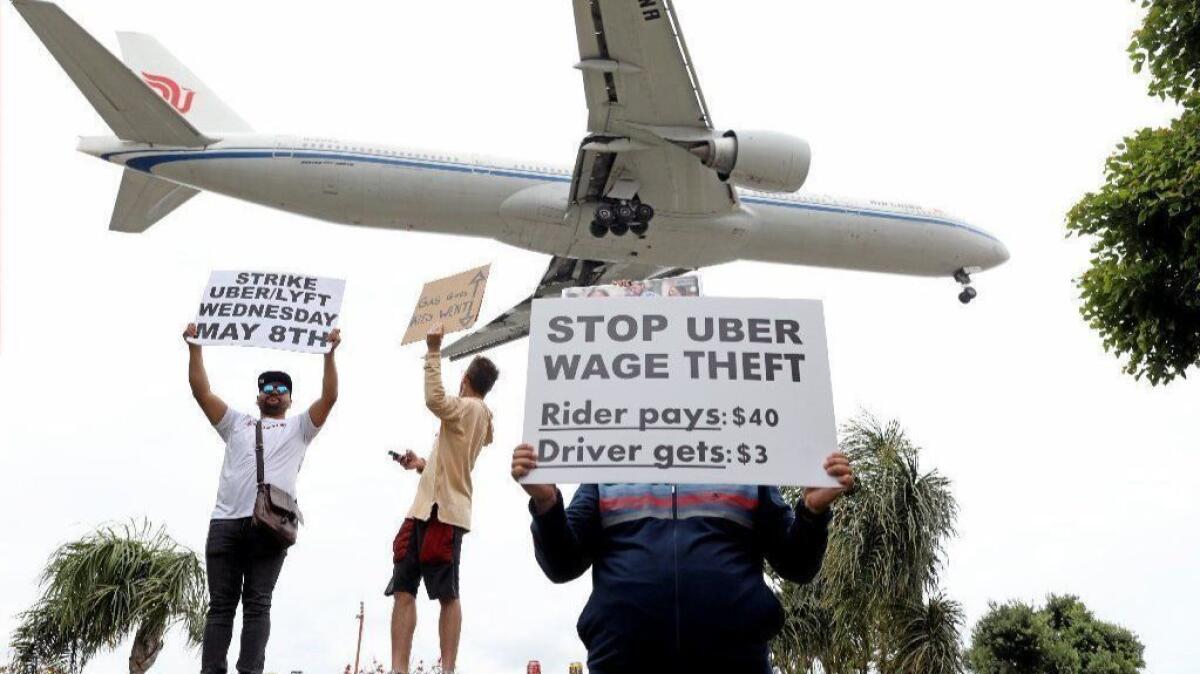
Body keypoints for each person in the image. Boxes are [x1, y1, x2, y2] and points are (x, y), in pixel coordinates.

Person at [510, 446, 854, 674]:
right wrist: (547, 503)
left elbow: (797, 564)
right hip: (621, 664)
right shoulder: (605, 472)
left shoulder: (747, 464)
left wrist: (812, 512)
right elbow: (562, 563)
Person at [184, 323, 341, 674]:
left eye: (281, 388)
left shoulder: (300, 427)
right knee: (221, 606)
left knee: (257, 605)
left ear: (289, 398)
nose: (273, 392)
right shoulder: (236, 423)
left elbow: (329, 397)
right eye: (267, 387)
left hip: (269, 524)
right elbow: (201, 390)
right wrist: (195, 347)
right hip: (225, 522)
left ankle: (250, 671)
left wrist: (329, 355)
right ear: (258, 397)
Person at [387, 324, 499, 674]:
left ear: (465, 378)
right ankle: (398, 669)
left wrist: (434, 349)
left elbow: (434, 398)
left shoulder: (472, 409)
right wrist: (421, 464)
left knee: (447, 594)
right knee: (404, 588)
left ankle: (448, 669)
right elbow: (448, 466)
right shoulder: (470, 416)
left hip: (444, 513)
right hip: (425, 508)